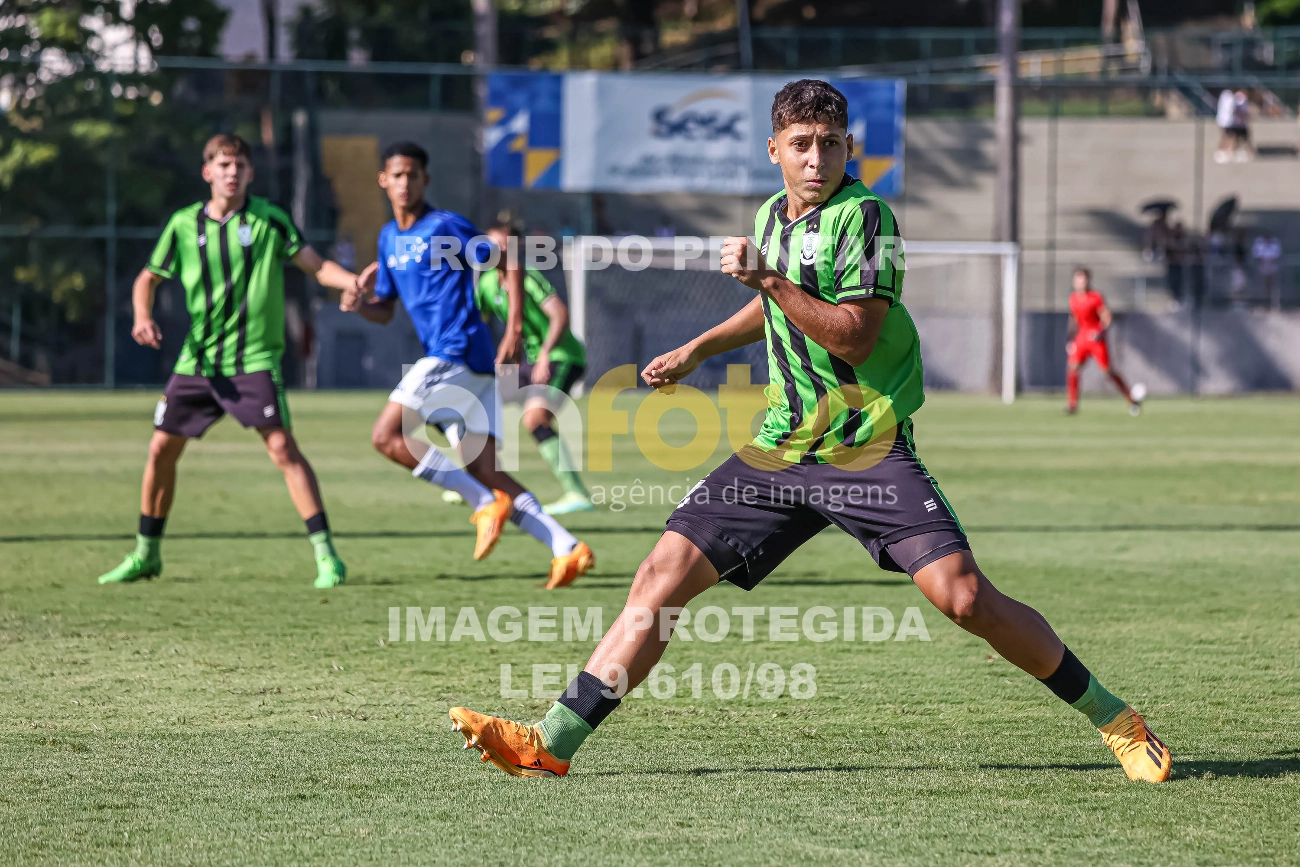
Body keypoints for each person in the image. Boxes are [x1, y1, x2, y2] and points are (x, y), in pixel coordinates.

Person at [446, 80, 1172, 783]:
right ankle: (552, 738)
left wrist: (767, 279)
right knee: (659, 579)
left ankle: (1117, 718)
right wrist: (701, 346)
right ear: (774, 149)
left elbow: (855, 335)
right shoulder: (770, 218)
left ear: (848, 145)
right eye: (801, 144)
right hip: (780, 446)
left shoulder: (870, 220)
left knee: (965, 598)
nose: (816, 159)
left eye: (829, 144)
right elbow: (777, 310)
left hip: (866, 444)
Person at [98, 134, 360, 588]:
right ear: (207, 172)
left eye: (239, 164)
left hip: (252, 359)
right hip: (197, 362)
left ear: (251, 172)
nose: (232, 172)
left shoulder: (269, 220)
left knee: (282, 449)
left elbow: (315, 265)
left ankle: (327, 557)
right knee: (161, 449)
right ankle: (145, 554)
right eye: (223, 164)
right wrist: (142, 315)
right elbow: (147, 278)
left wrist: (349, 282)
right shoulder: (183, 224)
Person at [339, 141, 594, 589]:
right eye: (396, 175)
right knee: (487, 468)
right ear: (383, 179)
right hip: (470, 370)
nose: (404, 183)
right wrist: (361, 305)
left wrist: (514, 327)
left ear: (425, 180)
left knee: (386, 436)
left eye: (412, 175)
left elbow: (509, 259)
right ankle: (567, 548)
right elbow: (384, 309)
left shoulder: (444, 226)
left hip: (454, 354)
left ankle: (481, 503)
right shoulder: (387, 238)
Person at [473, 220, 592, 516]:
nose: (496, 249)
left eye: (503, 244)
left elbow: (559, 315)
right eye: (491, 243)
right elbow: (476, 324)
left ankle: (576, 493)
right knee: (479, 407)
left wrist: (544, 356)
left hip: (561, 357)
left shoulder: (528, 277)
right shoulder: (488, 283)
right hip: (528, 360)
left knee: (535, 420)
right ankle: (476, 483)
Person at [1065, 268, 1144, 416]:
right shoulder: (1073, 298)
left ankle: (1131, 399)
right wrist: (1070, 339)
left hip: (1095, 338)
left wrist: (1100, 331)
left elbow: (1107, 317)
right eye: (1078, 280)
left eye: (1083, 279)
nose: (1080, 283)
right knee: (1072, 367)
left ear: (1088, 281)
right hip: (1081, 336)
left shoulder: (1095, 297)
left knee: (1108, 373)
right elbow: (1073, 320)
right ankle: (1072, 404)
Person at [1252, 233, 1282, 309]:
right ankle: (1265, 302)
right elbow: (1258, 256)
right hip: (1263, 268)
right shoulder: (1260, 247)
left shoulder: (1274, 246)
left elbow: (1275, 257)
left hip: (1271, 268)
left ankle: (1273, 302)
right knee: (1265, 286)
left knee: (1272, 285)